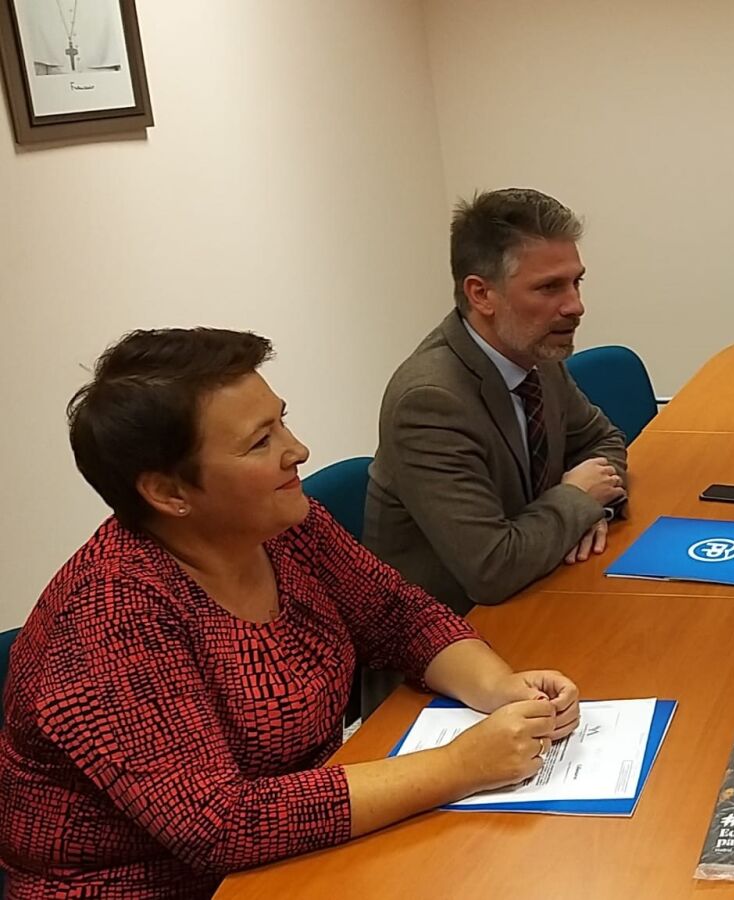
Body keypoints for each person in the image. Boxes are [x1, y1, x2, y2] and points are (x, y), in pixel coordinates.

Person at [0, 329, 581, 899]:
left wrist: (499, 688)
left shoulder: (284, 527)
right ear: (169, 492)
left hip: (307, 841)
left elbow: (401, 617)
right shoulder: (109, 616)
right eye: (260, 442)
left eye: (282, 421)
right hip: (156, 885)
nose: (297, 450)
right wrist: (459, 766)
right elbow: (218, 825)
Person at [365, 188, 628, 615]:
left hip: (542, 587)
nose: (575, 306)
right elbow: (492, 569)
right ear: (481, 294)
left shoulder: (535, 352)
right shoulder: (429, 403)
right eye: (549, 287)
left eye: (576, 282)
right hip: (453, 631)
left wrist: (588, 510)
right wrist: (578, 499)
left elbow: (603, 440)